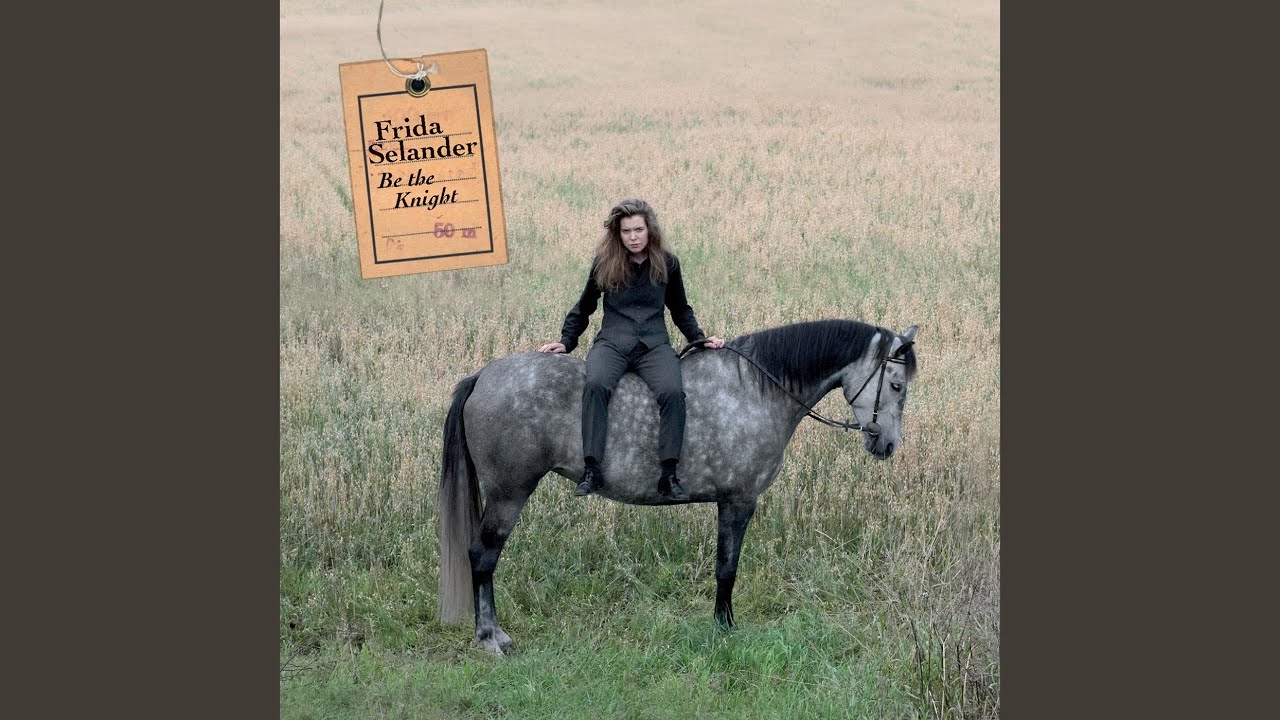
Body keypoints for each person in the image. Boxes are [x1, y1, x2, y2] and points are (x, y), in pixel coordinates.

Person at [539, 199, 725, 502]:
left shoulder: (668, 263)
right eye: (626, 231)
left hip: (654, 346)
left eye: (638, 230)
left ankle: (668, 475)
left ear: (650, 230)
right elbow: (585, 306)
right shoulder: (604, 263)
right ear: (618, 234)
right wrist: (566, 340)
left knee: (673, 392)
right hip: (612, 343)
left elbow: (680, 309)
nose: (633, 237)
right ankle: (591, 470)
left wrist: (700, 339)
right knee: (596, 384)